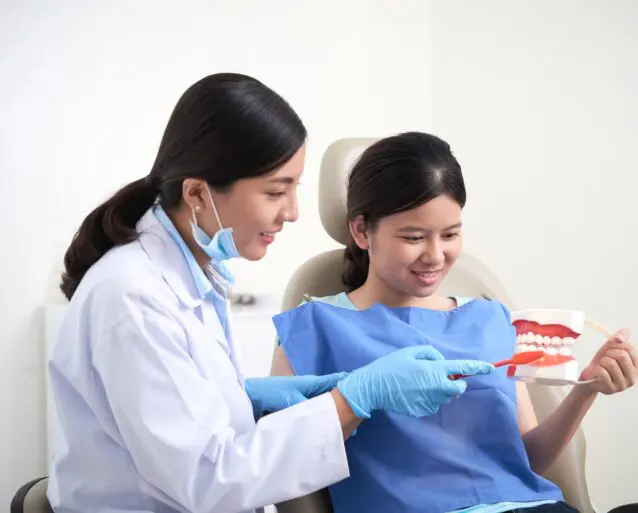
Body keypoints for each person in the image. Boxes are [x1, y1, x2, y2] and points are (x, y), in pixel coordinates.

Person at [47, 75, 494, 513]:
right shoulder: (134, 298)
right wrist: (353, 399)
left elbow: (182, 407)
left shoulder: (188, 274)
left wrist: (246, 397)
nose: (293, 212)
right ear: (199, 194)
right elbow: (210, 482)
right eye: (276, 192)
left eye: (294, 189)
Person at [271, 131, 638, 513]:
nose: (435, 255)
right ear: (362, 230)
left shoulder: (489, 318)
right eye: (414, 237)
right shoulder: (312, 330)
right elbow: (281, 461)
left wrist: (586, 389)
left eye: (450, 234)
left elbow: (526, 461)